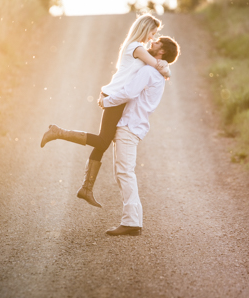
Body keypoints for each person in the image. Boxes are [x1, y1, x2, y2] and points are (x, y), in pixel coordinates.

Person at [40, 14, 171, 208]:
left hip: (115, 96)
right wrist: (167, 69)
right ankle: (58, 132)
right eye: (152, 33)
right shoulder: (138, 48)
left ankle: (86, 188)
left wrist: (165, 65)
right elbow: (158, 66)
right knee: (103, 140)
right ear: (144, 29)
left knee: (103, 143)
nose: (153, 38)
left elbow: (156, 65)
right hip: (115, 98)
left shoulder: (135, 47)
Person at [102, 36, 180, 236]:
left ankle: (131, 222)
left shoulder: (147, 71)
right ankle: (133, 220)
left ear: (161, 52)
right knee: (123, 173)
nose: (151, 43)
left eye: (156, 43)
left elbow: (128, 92)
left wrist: (107, 101)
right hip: (133, 126)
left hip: (129, 126)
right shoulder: (156, 74)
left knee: (125, 173)